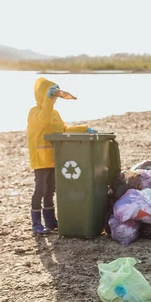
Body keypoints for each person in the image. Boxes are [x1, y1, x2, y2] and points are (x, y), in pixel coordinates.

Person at [26, 77, 97, 234]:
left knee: (50, 189)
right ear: (43, 94)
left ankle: (50, 221)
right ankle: (36, 222)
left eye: (56, 96)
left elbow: (64, 130)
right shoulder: (34, 112)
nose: (55, 99)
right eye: (52, 95)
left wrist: (84, 129)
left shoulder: (55, 113)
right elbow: (43, 120)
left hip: (54, 157)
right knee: (40, 189)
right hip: (40, 159)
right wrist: (48, 100)